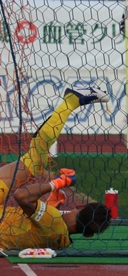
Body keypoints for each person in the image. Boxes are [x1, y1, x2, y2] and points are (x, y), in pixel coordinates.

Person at [0, 86, 112, 252]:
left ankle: (71, 101)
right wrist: (52, 204)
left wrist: (58, 183)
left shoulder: (53, 221)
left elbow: (21, 196)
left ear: (80, 206)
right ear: (88, 234)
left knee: (35, 160)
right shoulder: (62, 241)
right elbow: (40, 223)